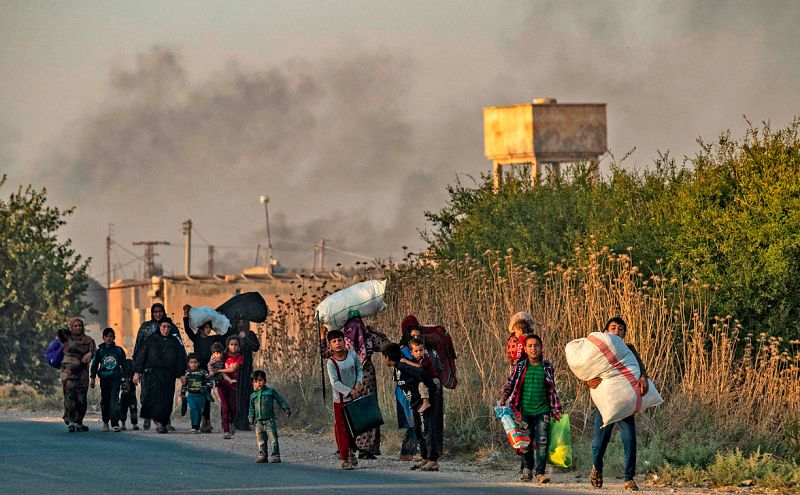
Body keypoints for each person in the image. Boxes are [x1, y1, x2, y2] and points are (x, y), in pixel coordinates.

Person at [586, 317, 648, 492]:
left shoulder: (629, 350)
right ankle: (596, 468)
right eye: (613, 327)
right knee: (599, 443)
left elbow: (640, 368)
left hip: (625, 403)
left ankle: (629, 479)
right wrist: (588, 381)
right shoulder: (599, 351)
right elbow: (587, 371)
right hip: (604, 402)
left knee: (630, 440)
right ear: (605, 332)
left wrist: (643, 377)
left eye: (621, 329)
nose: (617, 331)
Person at [501, 334, 563, 484]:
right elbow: (511, 384)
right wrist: (504, 396)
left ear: (541, 348)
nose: (533, 349)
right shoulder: (521, 366)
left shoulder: (547, 366)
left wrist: (556, 410)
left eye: (536, 345)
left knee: (542, 442)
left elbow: (552, 390)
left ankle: (540, 473)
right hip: (524, 412)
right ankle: (527, 469)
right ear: (526, 349)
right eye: (530, 346)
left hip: (543, 411)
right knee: (526, 442)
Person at [383, 342, 440, 471]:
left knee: (428, 428)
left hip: (424, 401)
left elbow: (422, 374)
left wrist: (429, 392)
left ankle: (433, 460)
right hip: (414, 403)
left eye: (384, 357)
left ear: (387, 357)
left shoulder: (404, 366)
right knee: (419, 430)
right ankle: (425, 457)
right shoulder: (398, 368)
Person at [340, 310, 390, 459]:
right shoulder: (367, 336)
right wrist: (378, 332)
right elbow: (387, 346)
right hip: (366, 377)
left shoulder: (342, 340)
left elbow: (325, 352)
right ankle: (367, 448)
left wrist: (323, 335)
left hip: (347, 378)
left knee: (352, 411)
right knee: (368, 410)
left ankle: (350, 446)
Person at [133, 318, 187, 434]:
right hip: (153, 374)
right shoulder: (150, 339)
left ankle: (162, 422)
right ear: (159, 326)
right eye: (164, 327)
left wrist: (182, 374)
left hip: (169, 374)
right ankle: (159, 424)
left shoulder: (174, 341)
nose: (166, 329)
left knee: (166, 399)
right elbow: (142, 356)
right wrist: (137, 372)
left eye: (168, 327)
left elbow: (180, 358)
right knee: (154, 398)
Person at [181, 304, 227, 432]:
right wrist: (186, 314)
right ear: (201, 328)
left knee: (206, 395)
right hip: (198, 372)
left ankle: (207, 422)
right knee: (197, 394)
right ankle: (204, 421)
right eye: (206, 327)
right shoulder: (196, 338)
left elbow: (224, 334)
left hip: (209, 372)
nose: (208, 330)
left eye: (209, 327)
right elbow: (187, 330)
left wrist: (221, 317)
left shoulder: (214, 339)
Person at [325, 329, 364, 470]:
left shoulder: (352, 354)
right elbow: (334, 383)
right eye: (334, 341)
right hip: (341, 401)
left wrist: (358, 382)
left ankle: (351, 452)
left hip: (355, 397)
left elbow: (359, 368)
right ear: (330, 346)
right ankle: (344, 458)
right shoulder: (331, 363)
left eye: (339, 340)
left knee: (353, 428)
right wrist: (350, 391)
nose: (338, 343)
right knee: (342, 430)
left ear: (344, 341)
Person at [61, 317, 96, 432]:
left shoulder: (88, 340)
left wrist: (90, 353)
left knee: (81, 398)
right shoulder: (66, 338)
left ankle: (78, 421)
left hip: (83, 373)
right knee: (70, 396)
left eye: (80, 325)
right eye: (75, 326)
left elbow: (95, 352)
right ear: (71, 327)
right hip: (68, 373)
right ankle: (70, 421)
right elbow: (59, 333)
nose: (78, 328)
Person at [248, 370, 290, 463]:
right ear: (253, 383)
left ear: (265, 381)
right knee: (261, 440)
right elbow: (251, 408)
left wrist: (286, 409)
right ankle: (262, 455)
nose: (258, 383)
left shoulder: (270, 392)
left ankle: (275, 456)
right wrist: (250, 417)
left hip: (269, 421)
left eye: (260, 380)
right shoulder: (253, 396)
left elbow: (280, 400)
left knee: (273, 439)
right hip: (258, 422)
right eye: (256, 381)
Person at [90, 328, 127, 432]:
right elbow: (94, 365)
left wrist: (125, 379)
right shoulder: (99, 351)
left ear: (114, 338)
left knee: (115, 400)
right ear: (103, 338)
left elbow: (124, 365)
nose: (109, 338)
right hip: (104, 379)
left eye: (111, 336)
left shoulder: (118, 350)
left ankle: (115, 423)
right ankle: (105, 422)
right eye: (106, 336)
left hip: (116, 378)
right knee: (105, 400)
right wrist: (92, 378)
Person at [234, 319, 261, 432]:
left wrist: (245, 337)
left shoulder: (250, 334)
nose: (241, 324)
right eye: (238, 322)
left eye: (243, 322)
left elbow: (255, 347)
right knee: (234, 396)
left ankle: (244, 422)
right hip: (233, 369)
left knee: (246, 396)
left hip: (246, 370)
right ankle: (233, 421)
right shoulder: (233, 334)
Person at [217, 335, 243, 439]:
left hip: (234, 385)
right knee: (225, 406)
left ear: (239, 347)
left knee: (234, 407)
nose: (233, 347)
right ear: (227, 346)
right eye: (231, 344)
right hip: (222, 384)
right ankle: (226, 430)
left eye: (236, 345)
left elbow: (233, 369)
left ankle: (231, 421)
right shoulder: (222, 356)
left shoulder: (239, 358)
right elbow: (214, 361)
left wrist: (219, 371)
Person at [182, 353, 210, 433]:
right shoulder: (187, 373)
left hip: (201, 396)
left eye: (195, 362)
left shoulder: (203, 373)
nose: (193, 364)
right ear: (188, 363)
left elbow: (209, 382)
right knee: (193, 409)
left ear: (199, 363)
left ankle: (197, 426)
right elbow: (184, 385)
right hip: (191, 395)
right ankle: (193, 426)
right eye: (191, 362)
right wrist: (183, 394)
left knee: (198, 411)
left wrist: (205, 387)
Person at [119, 358, 139, 431]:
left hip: (131, 394)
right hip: (124, 395)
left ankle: (134, 424)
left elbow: (136, 381)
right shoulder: (121, 374)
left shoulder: (133, 375)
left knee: (133, 409)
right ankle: (123, 425)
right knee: (123, 410)